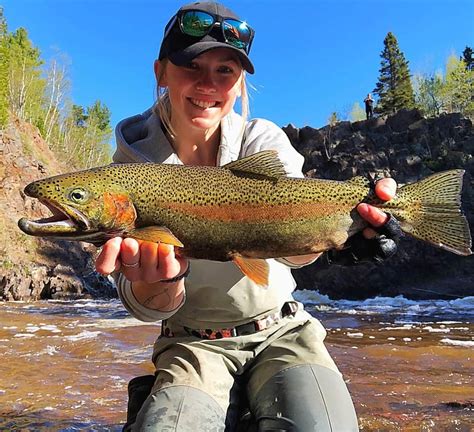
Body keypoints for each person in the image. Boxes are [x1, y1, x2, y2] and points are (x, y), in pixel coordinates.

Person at [95, 2, 398, 431]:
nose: (208, 83)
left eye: (225, 71)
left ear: (238, 84)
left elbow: (293, 253)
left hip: (284, 333)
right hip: (191, 346)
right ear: (161, 71)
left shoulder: (263, 139)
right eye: (192, 65)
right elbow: (145, 308)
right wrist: (155, 284)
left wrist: (345, 237)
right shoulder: (127, 174)